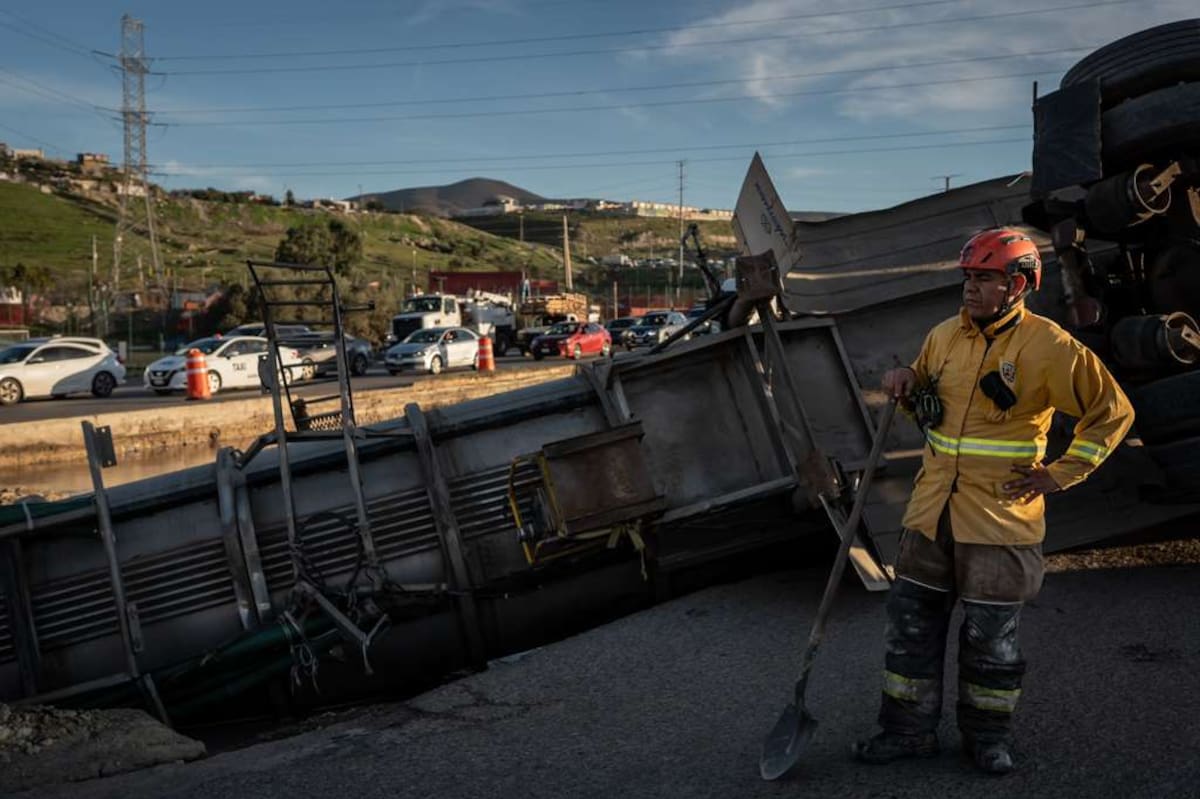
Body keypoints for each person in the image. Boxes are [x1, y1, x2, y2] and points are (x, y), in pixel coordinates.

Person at [851, 227, 1135, 775]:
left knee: (990, 644)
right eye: (970, 278)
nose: (972, 289)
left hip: (1000, 523)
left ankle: (987, 738)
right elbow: (928, 412)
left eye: (986, 278)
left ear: (1020, 284)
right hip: (932, 514)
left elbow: (1113, 413)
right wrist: (907, 382)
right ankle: (906, 733)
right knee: (910, 629)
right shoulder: (943, 338)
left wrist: (1061, 474)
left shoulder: (1048, 346)